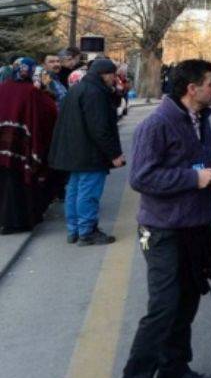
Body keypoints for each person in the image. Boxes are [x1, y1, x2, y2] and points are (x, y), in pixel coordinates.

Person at [118, 59, 211, 378]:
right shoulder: (156, 124)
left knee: (187, 299)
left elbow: (199, 163)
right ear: (191, 88)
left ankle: (173, 371)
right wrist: (192, 179)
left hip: (195, 225)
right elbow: (142, 177)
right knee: (164, 307)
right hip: (163, 229)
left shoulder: (202, 119)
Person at [47, 57, 125, 245]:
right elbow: (100, 128)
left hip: (75, 151)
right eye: (113, 75)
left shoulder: (77, 89)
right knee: (88, 194)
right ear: (104, 74)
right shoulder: (95, 93)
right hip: (90, 153)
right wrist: (114, 154)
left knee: (74, 190)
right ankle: (87, 231)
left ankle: (74, 230)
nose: (114, 79)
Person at [0, 58, 58, 234]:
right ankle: (18, 222)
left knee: (4, 181)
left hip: (3, 145)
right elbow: (50, 112)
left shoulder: (2, 89)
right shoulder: (32, 92)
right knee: (19, 184)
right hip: (23, 147)